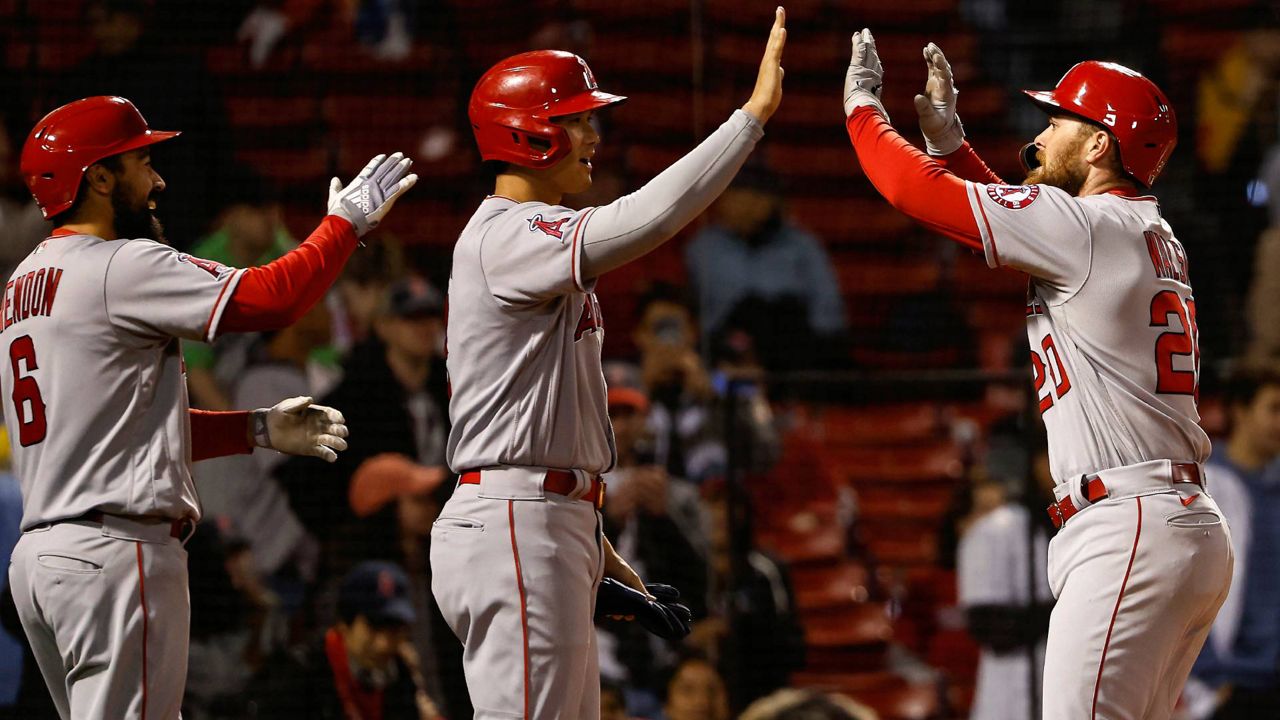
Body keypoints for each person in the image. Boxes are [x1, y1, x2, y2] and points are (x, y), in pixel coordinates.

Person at [843, 33, 1233, 719]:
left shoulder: (1085, 228)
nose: (1042, 134)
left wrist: (860, 107)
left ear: (1098, 146)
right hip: (1175, 522)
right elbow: (1025, 224)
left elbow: (911, 192)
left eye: (1060, 121)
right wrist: (951, 145)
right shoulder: (1137, 229)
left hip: (1130, 525)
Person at [3, 95, 414, 720]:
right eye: (141, 161)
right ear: (100, 177)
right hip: (117, 551)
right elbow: (271, 299)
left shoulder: (21, 285)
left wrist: (254, 429)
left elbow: (120, 430)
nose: (158, 179)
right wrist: (344, 225)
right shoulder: (119, 264)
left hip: (44, 563)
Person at [431, 10, 785, 718]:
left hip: (539, 518)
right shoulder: (508, 234)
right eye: (576, 119)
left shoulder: (523, 239)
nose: (593, 134)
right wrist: (750, 119)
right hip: (516, 517)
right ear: (525, 133)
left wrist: (594, 549)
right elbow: (645, 219)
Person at [684, 162, 847, 372]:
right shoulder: (703, 246)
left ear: (773, 202)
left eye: (753, 195)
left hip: (789, 350)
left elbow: (828, 313)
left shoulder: (802, 245)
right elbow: (688, 312)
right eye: (734, 194)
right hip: (723, 350)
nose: (742, 204)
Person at [1185, 363, 1280, 719]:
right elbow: (1185, 584)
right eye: (1273, 409)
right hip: (1229, 684)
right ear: (1240, 411)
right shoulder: (1205, 487)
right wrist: (1208, 674)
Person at [247, 561, 442, 719]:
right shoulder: (299, 674)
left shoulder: (401, 676)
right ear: (344, 623)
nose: (384, 643)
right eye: (374, 627)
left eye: (394, 630)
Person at [957, 446, 1055, 720]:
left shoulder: (1044, 522)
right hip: (1009, 681)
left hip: (1047, 669)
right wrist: (1058, 612)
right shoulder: (993, 530)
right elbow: (987, 624)